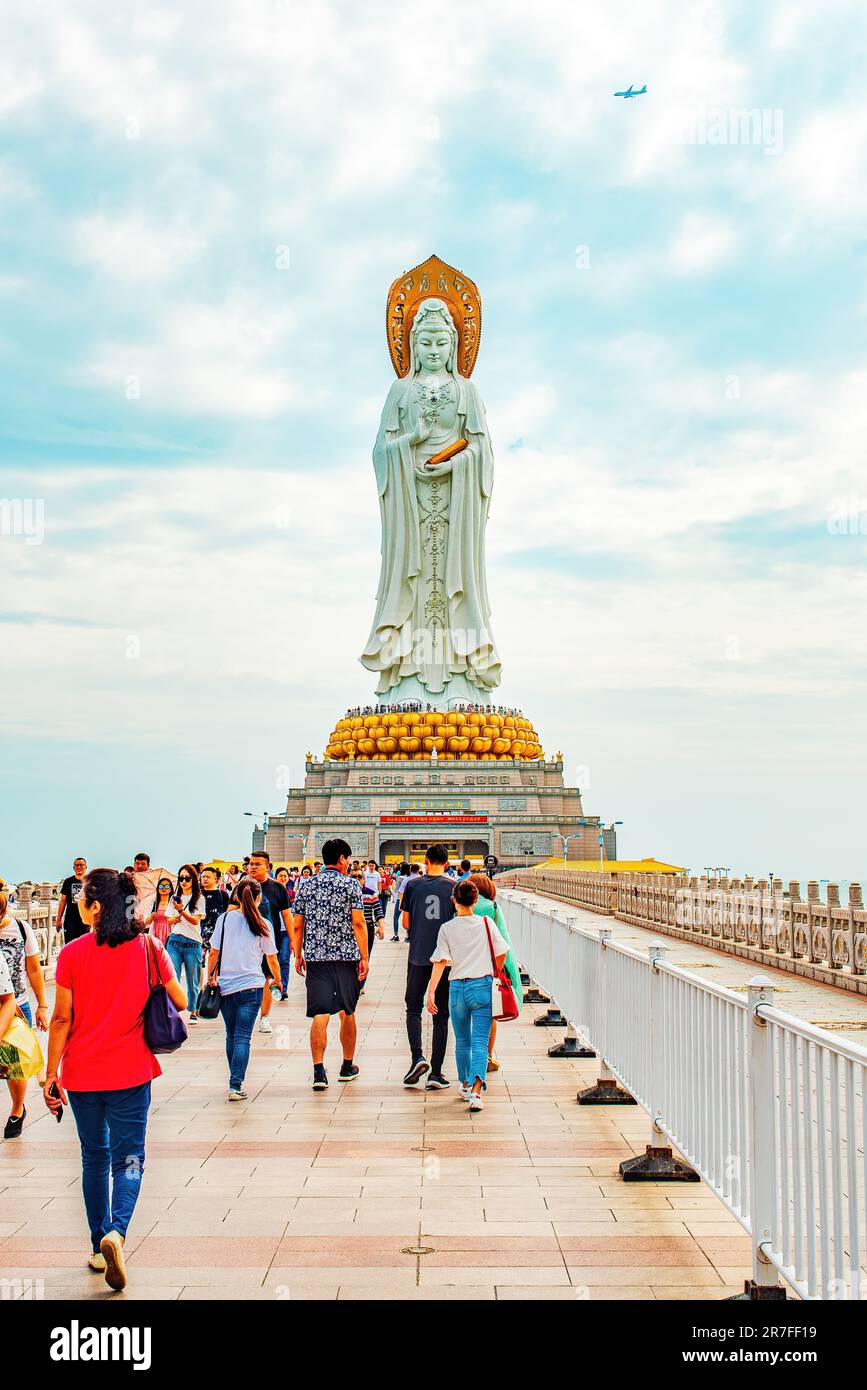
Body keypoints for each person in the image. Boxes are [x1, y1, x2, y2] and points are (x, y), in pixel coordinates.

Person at [43, 868, 187, 1292]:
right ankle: (117, 1233)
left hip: (83, 1074)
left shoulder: (72, 954)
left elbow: (61, 1018)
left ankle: (96, 1243)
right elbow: (179, 999)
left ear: (95, 907)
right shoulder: (148, 947)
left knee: (94, 1158)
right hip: (131, 1071)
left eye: (85, 898)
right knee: (130, 1158)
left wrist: (50, 1074)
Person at [291, 838, 368, 1091]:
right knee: (348, 1011)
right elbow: (358, 923)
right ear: (343, 859)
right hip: (346, 958)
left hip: (316, 958)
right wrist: (364, 956)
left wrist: (298, 953)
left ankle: (318, 1071)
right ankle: (347, 1066)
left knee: (320, 1013)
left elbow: (297, 925)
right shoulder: (351, 886)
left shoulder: (307, 885)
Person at [427, 878, 507, 1112]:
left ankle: (464, 1083)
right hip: (482, 986)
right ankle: (476, 1092)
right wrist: (494, 972)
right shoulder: (485, 923)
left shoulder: (447, 928)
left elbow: (440, 962)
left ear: (454, 901)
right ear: (475, 900)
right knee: (481, 1042)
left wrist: (431, 991)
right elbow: (501, 953)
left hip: (457, 989)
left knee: (462, 1041)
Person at [207, 877, 280, 1100]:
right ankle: (235, 1084)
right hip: (252, 986)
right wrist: (278, 980)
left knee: (232, 1035)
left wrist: (210, 977)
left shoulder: (225, 919)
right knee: (242, 1037)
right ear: (259, 898)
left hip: (227, 986)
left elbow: (213, 953)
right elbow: (272, 958)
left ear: (236, 896)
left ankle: (234, 1081)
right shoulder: (263, 923)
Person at [400, 844, 454, 1090]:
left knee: (413, 1008)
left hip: (418, 957)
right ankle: (436, 1073)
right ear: (446, 862)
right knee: (441, 1015)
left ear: (425, 860)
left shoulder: (412, 885)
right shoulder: (453, 886)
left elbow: (406, 922)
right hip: (443, 961)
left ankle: (417, 1058)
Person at [0, 891, 49, 1138]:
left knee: (13, 1065)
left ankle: (17, 1109)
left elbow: (33, 967)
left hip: (17, 1005)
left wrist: (42, 1005)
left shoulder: (21, 928)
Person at [468, 873, 523, 1074]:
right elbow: (503, 944)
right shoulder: (493, 908)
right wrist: (510, 974)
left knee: (465, 1015)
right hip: (489, 969)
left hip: (465, 968)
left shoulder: (461, 907)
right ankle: (486, 1058)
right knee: (489, 1016)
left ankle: (467, 1059)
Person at [246, 852, 292, 1032]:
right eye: (251, 864)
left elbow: (287, 916)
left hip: (269, 942)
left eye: (257, 864)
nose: (253, 867)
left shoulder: (278, 888)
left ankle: (264, 1017)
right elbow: (231, 912)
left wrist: (295, 941)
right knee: (249, 980)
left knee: (266, 978)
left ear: (268, 867)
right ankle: (248, 1015)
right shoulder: (243, 887)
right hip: (246, 942)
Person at [165, 864, 205, 1023]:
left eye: (187, 878)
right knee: (171, 976)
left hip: (193, 942)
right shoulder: (174, 897)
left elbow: (196, 920)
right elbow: (168, 919)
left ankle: (193, 1010)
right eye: (181, 878)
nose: (183, 881)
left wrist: (181, 911)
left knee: (192, 979)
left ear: (193, 879)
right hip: (175, 940)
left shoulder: (199, 898)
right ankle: (172, 1009)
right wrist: (174, 918)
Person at [357, 874, 385, 992]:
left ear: (363, 879)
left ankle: (360, 985)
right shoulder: (347, 893)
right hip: (352, 929)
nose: (357, 880)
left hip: (367, 928)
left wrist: (381, 926)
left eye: (359, 877)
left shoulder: (371, 893)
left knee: (365, 956)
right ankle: (353, 983)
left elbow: (378, 910)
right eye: (354, 877)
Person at [57, 857, 88, 944]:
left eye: (81, 865)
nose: (79, 867)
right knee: (70, 945)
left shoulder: (90, 881)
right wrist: (58, 919)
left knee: (84, 946)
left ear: (86, 867)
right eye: (77, 865)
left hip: (85, 920)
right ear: (73, 867)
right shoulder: (68, 881)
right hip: (70, 920)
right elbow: (63, 901)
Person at [274, 867, 295, 997]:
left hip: (286, 932)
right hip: (274, 932)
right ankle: (275, 985)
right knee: (274, 959)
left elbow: (293, 915)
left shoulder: (291, 893)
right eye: (280, 875)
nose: (283, 878)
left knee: (284, 959)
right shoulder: (271, 892)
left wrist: (294, 937)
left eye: (285, 876)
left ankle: (284, 988)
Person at [144, 876, 174, 946]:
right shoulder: (153, 903)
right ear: (158, 889)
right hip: (155, 932)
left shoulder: (173, 903)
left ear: (170, 889)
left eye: (166, 886)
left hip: (169, 932)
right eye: (161, 886)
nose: (163, 888)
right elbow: (147, 922)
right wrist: (151, 917)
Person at [391, 861, 410, 941]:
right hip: (408, 900)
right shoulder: (409, 878)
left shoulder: (399, 878)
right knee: (408, 918)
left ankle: (396, 935)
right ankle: (408, 936)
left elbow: (396, 889)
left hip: (400, 899)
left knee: (396, 917)